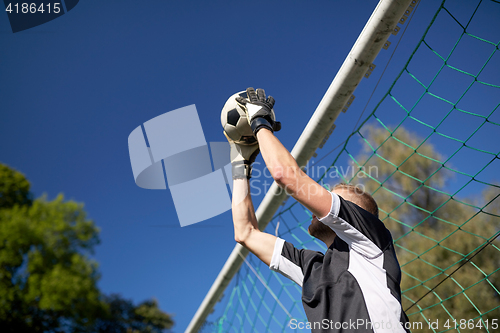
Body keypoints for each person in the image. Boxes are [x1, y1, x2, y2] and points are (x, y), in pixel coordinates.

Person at [224, 87, 410, 333]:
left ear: (355, 212)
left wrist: (260, 122)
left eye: (334, 196)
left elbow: (285, 175)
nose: (323, 199)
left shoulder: (371, 239)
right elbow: (245, 233)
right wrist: (240, 164)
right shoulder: (311, 267)